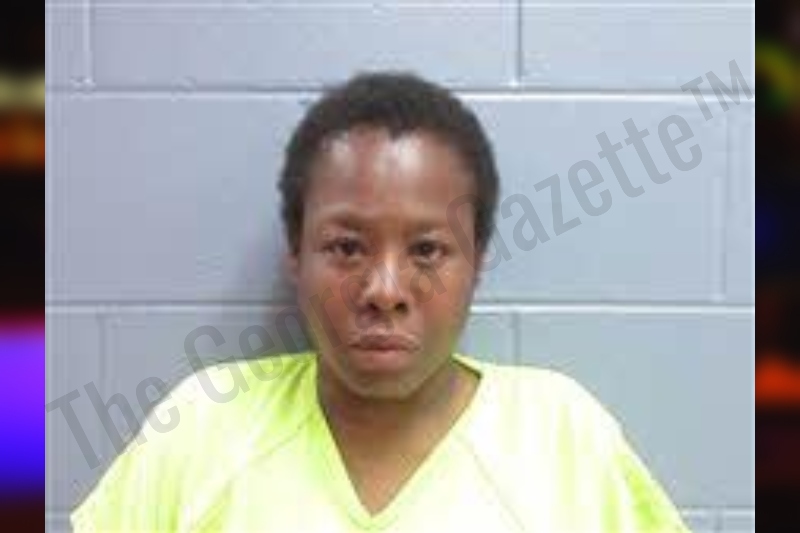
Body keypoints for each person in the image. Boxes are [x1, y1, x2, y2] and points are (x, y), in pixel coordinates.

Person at [71, 72, 690, 532]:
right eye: (346, 248)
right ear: (296, 256)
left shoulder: (562, 438)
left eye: (427, 250)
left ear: (476, 263)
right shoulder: (203, 427)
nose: (385, 291)